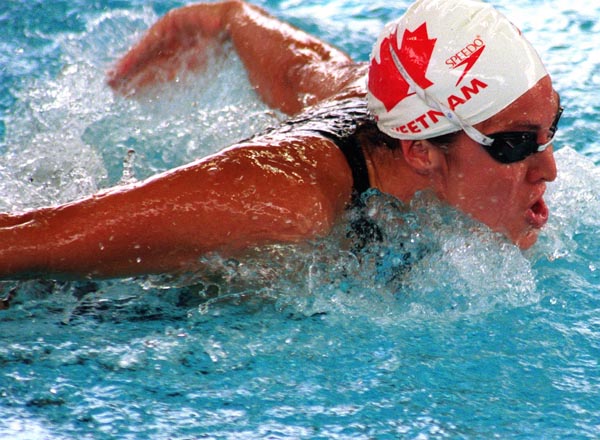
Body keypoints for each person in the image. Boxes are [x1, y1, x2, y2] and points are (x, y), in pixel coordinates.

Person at [0, 0, 561, 281]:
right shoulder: (277, 203)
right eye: (514, 144)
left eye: (550, 131)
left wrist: (219, 18)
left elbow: (278, 50)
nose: (550, 169)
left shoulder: (377, 98)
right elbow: (31, 238)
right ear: (419, 150)